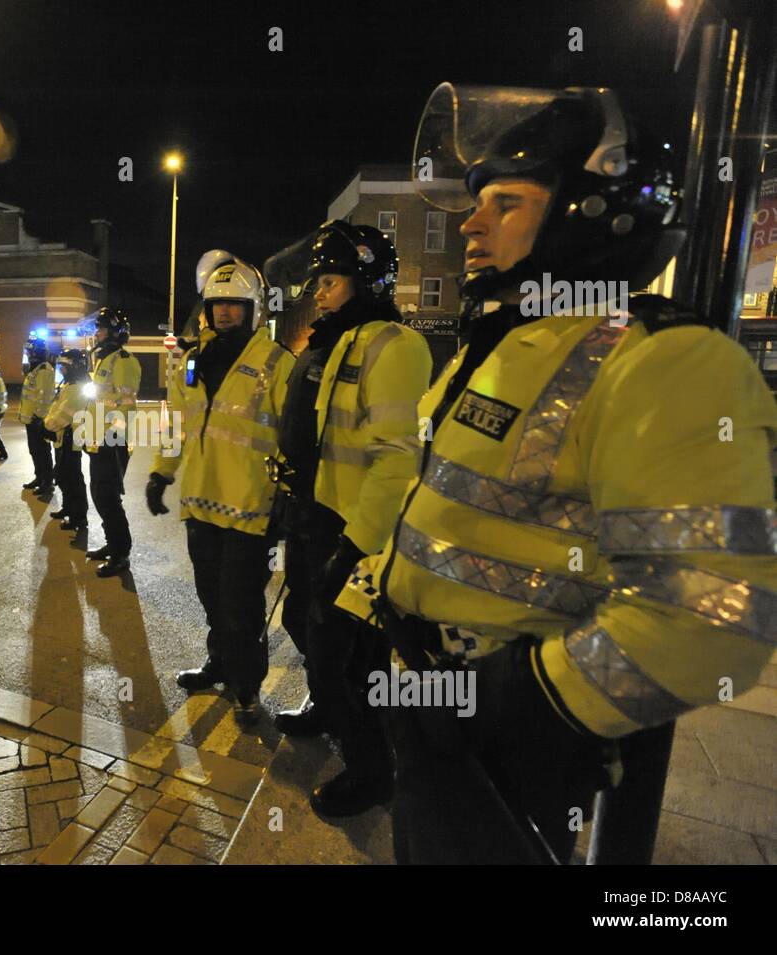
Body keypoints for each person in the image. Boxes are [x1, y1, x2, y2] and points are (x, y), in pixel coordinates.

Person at [334, 84, 777, 864]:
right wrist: (361, 600)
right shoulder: (511, 343)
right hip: (431, 705)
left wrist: (512, 706)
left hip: (511, 752)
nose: (470, 222)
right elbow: (442, 509)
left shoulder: (666, 360)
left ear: (589, 211)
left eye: (505, 202)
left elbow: (715, 616)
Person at [262, 221, 432, 817]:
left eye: (332, 281)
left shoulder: (393, 345)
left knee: (351, 655)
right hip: (312, 517)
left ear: (366, 282)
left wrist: (354, 545)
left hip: (351, 530)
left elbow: (395, 456)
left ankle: (371, 771)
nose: (322, 293)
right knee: (305, 626)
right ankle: (324, 707)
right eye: (319, 283)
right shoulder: (328, 342)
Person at [147, 253, 295, 723]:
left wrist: (288, 498)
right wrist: (161, 472)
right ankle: (220, 662)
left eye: (234, 304)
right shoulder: (192, 361)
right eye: (217, 305)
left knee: (242, 604)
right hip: (202, 506)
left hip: (251, 508)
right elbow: (177, 423)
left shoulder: (276, 362)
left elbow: (294, 435)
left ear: (254, 310)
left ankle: (247, 685)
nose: (225, 312)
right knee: (211, 596)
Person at [85, 307, 142, 577]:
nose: (97, 333)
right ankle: (112, 543)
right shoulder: (104, 361)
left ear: (116, 332)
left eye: (102, 328)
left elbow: (125, 407)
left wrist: (111, 439)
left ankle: (121, 554)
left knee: (108, 498)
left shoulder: (124, 362)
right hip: (99, 439)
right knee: (99, 494)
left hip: (112, 442)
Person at [44, 348, 91, 534]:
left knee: (72, 479)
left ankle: (78, 518)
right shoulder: (70, 385)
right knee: (64, 476)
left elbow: (63, 415)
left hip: (70, 440)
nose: (61, 369)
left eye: (64, 366)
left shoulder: (76, 388)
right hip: (63, 438)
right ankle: (69, 508)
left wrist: (46, 426)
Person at [19, 336, 57, 495]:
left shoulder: (44, 369)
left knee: (42, 450)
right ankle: (39, 477)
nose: (28, 353)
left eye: (30, 351)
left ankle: (47, 482)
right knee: (34, 450)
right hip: (31, 418)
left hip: (38, 419)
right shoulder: (35, 368)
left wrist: (38, 417)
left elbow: (44, 396)